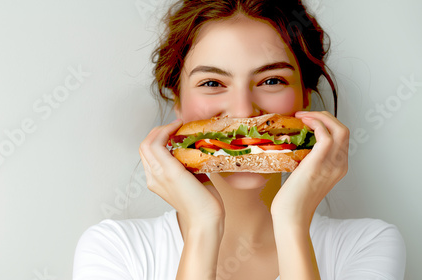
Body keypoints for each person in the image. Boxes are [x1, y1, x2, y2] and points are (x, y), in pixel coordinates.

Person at [73, 0, 406, 279]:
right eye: (213, 83)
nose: (244, 111)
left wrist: (291, 221)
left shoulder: (368, 244)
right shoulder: (115, 250)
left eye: (271, 80)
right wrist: (204, 226)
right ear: (177, 102)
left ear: (305, 98)